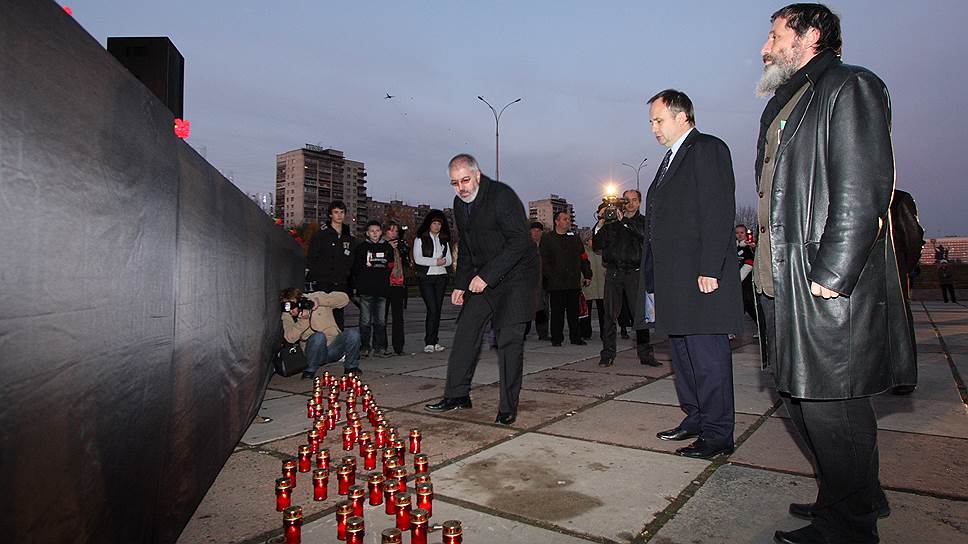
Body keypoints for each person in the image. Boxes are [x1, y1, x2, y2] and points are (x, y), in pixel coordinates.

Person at [753, 5, 916, 543]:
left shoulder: (850, 87)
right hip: (783, 278)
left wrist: (835, 269)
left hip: (821, 280)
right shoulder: (792, 99)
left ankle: (850, 527)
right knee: (800, 400)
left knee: (831, 408)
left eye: (776, 35)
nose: (765, 47)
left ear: (811, 36)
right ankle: (851, 495)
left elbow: (863, 183)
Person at [642, 89, 742, 460]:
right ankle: (696, 418)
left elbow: (718, 209)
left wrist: (709, 267)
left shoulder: (707, 149)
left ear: (681, 117)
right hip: (674, 281)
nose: (653, 128)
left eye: (658, 120)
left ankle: (718, 434)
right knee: (683, 355)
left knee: (707, 356)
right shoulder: (669, 160)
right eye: (651, 122)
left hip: (700, 277)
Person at [425, 154, 538, 425]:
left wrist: (485, 276)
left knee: (508, 341)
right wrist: (461, 284)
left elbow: (520, 242)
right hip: (484, 278)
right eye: (454, 183)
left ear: (477, 175)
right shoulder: (458, 204)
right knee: (466, 330)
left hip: (516, 278)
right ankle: (457, 395)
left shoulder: (501, 196)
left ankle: (508, 407)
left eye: (465, 180)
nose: (461, 188)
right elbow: (467, 247)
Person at [592, 189, 658, 367]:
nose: (630, 203)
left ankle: (645, 355)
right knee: (609, 315)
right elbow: (597, 244)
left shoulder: (644, 221)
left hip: (635, 273)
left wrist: (625, 222)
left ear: (639, 202)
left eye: (634, 200)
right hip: (614, 272)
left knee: (640, 316)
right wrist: (601, 221)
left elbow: (646, 237)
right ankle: (607, 354)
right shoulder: (611, 222)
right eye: (626, 200)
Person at [279, 287, 361, 378]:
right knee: (319, 336)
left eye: (291, 305)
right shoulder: (287, 314)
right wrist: (303, 321)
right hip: (312, 352)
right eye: (286, 306)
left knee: (353, 333)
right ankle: (310, 370)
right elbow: (289, 338)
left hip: (333, 348)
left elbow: (344, 299)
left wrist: (320, 301)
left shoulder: (316, 297)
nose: (290, 310)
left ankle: (351, 367)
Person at [540, 211, 592, 346]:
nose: (568, 221)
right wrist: (549, 276)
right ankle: (557, 338)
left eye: (569, 219)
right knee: (557, 313)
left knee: (574, 313)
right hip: (556, 283)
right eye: (565, 219)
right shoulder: (547, 238)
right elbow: (543, 260)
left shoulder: (574, 237)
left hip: (573, 282)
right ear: (557, 222)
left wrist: (587, 274)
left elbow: (583, 257)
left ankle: (576, 337)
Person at [306, 201, 355, 329]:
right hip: (323, 282)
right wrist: (316, 276)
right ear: (330, 215)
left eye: (342, 212)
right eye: (336, 212)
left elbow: (352, 261)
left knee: (339, 317)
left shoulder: (349, 238)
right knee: (322, 315)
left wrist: (350, 281)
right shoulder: (321, 235)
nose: (339, 215)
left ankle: (339, 345)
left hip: (341, 282)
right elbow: (311, 258)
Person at [412, 209, 453, 353]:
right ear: (429, 224)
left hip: (441, 277)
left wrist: (442, 262)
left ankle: (435, 341)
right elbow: (418, 259)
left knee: (438, 310)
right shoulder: (420, 239)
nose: (437, 226)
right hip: (427, 278)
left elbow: (449, 260)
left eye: (439, 224)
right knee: (432, 309)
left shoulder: (444, 240)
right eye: (434, 223)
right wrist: (436, 262)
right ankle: (429, 341)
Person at [351, 220, 393, 357]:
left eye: (377, 230)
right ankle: (364, 347)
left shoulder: (387, 247)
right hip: (366, 290)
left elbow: (390, 265)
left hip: (382, 289)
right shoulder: (361, 248)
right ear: (367, 233)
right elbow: (356, 268)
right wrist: (357, 286)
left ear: (381, 232)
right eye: (372, 231)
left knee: (380, 321)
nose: (375, 233)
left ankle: (379, 347)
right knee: (365, 321)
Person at [384, 221, 409, 355]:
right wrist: (388, 248)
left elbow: (406, 263)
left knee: (398, 317)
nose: (394, 233)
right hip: (385, 283)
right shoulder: (382, 245)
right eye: (391, 230)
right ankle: (381, 346)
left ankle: (398, 346)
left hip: (399, 284)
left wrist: (403, 250)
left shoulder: (399, 246)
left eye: (396, 231)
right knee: (382, 317)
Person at [525, 221, 550, 341]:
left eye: (539, 230)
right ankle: (523, 333)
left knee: (543, 309)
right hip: (527, 284)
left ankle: (543, 333)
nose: (536, 232)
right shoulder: (524, 246)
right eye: (534, 230)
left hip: (543, 283)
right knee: (526, 309)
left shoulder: (545, 246)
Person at [582, 225, 607, 340]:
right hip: (588, 285)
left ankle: (604, 333)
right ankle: (586, 332)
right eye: (589, 239)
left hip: (602, 285)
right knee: (586, 312)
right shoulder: (582, 251)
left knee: (603, 312)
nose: (591, 241)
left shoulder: (601, 250)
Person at [735, 224, 758, 326]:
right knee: (739, 305)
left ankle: (762, 328)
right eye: (737, 233)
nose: (739, 235)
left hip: (747, 280)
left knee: (749, 303)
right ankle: (733, 328)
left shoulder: (749, 246)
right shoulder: (734, 247)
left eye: (742, 233)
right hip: (736, 281)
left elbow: (750, 262)